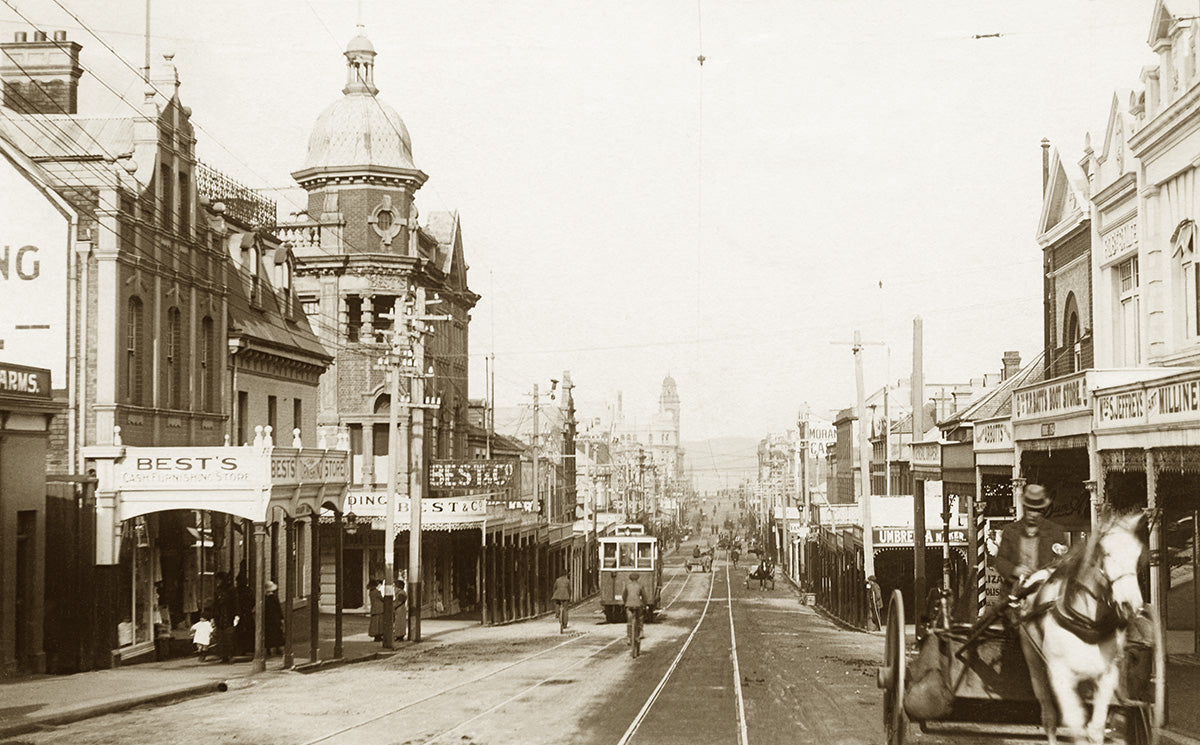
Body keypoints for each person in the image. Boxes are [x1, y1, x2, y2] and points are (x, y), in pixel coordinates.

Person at [994, 484, 1068, 599]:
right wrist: (1014, 570)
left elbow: (1064, 562)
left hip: (1046, 591)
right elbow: (1000, 560)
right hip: (1015, 589)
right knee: (1001, 614)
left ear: (1043, 510)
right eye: (1030, 509)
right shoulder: (1011, 531)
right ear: (1024, 508)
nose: (1033, 514)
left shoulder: (1055, 532)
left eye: (1037, 510)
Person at [622, 572, 648, 646]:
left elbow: (624, 596)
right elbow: (644, 597)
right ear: (638, 578)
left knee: (629, 621)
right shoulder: (640, 586)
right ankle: (640, 632)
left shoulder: (627, 586)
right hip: (638, 605)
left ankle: (629, 638)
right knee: (640, 617)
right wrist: (644, 605)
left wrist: (625, 603)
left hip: (629, 605)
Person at [264, 581, 284, 655]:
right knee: (277, 634)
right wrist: (281, 618)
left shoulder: (265, 599)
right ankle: (278, 649)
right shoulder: (275, 598)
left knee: (269, 635)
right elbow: (278, 609)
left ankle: (269, 650)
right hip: (275, 619)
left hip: (268, 620)